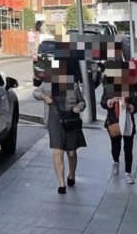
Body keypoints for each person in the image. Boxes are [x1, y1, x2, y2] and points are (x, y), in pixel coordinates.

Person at [33, 60, 87, 194]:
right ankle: (61, 183)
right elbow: (35, 93)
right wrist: (44, 97)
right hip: (54, 121)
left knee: (71, 152)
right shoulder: (47, 85)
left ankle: (72, 174)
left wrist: (78, 107)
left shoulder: (72, 85)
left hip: (70, 121)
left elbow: (82, 102)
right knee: (58, 152)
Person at [102, 62, 137, 184]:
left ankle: (128, 173)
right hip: (114, 121)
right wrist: (109, 102)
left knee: (128, 148)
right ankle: (116, 161)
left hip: (128, 122)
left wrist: (130, 106)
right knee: (115, 147)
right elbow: (103, 102)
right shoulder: (108, 88)